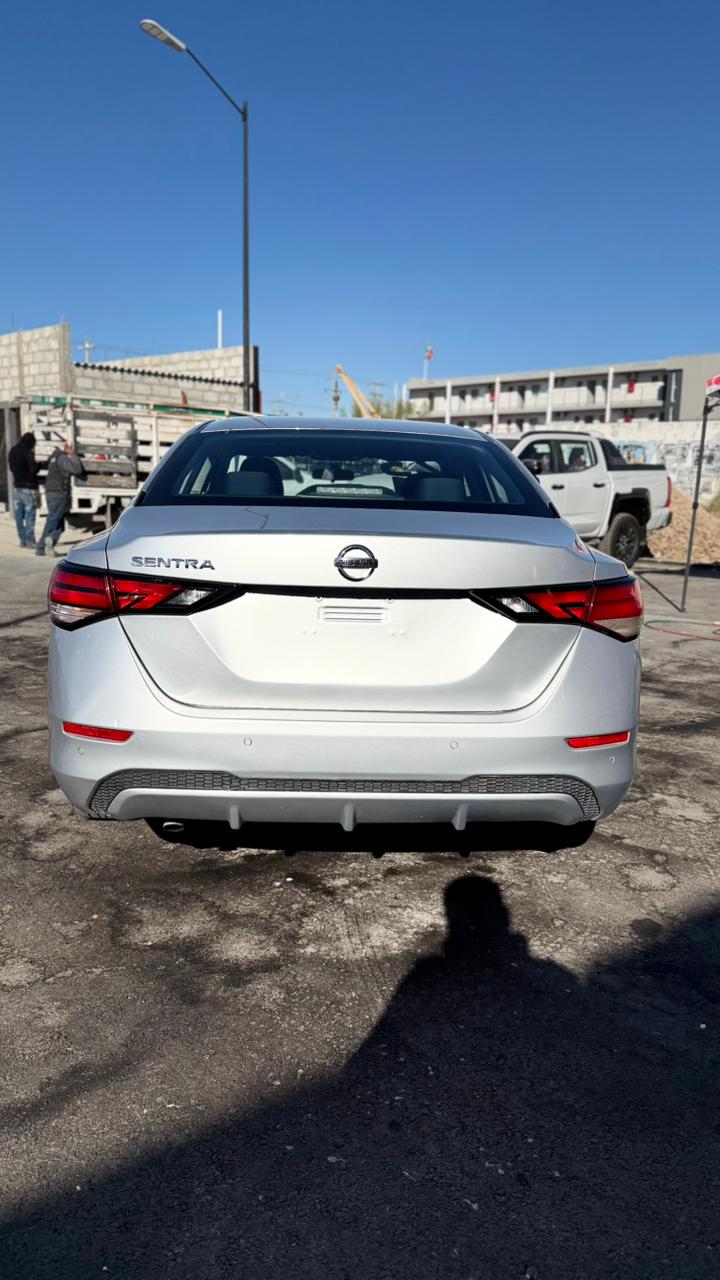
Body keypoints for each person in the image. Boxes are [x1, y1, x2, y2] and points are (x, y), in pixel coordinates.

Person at [35, 442, 84, 557]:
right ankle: (41, 546)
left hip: (51, 492)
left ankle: (50, 541)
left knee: (60, 525)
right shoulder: (62, 458)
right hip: (59, 492)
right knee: (53, 520)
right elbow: (77, 469)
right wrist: (74, 455)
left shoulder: (53, 458)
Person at [8, 432, 39, 548]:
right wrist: (40, 465)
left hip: (17, 487)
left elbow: (11, 468)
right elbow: (33, 469)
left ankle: (22, 540)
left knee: (19, 515)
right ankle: (30, 541)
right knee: (30, 515)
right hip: (29, 488)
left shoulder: (12, 451)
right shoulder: (28, 452)